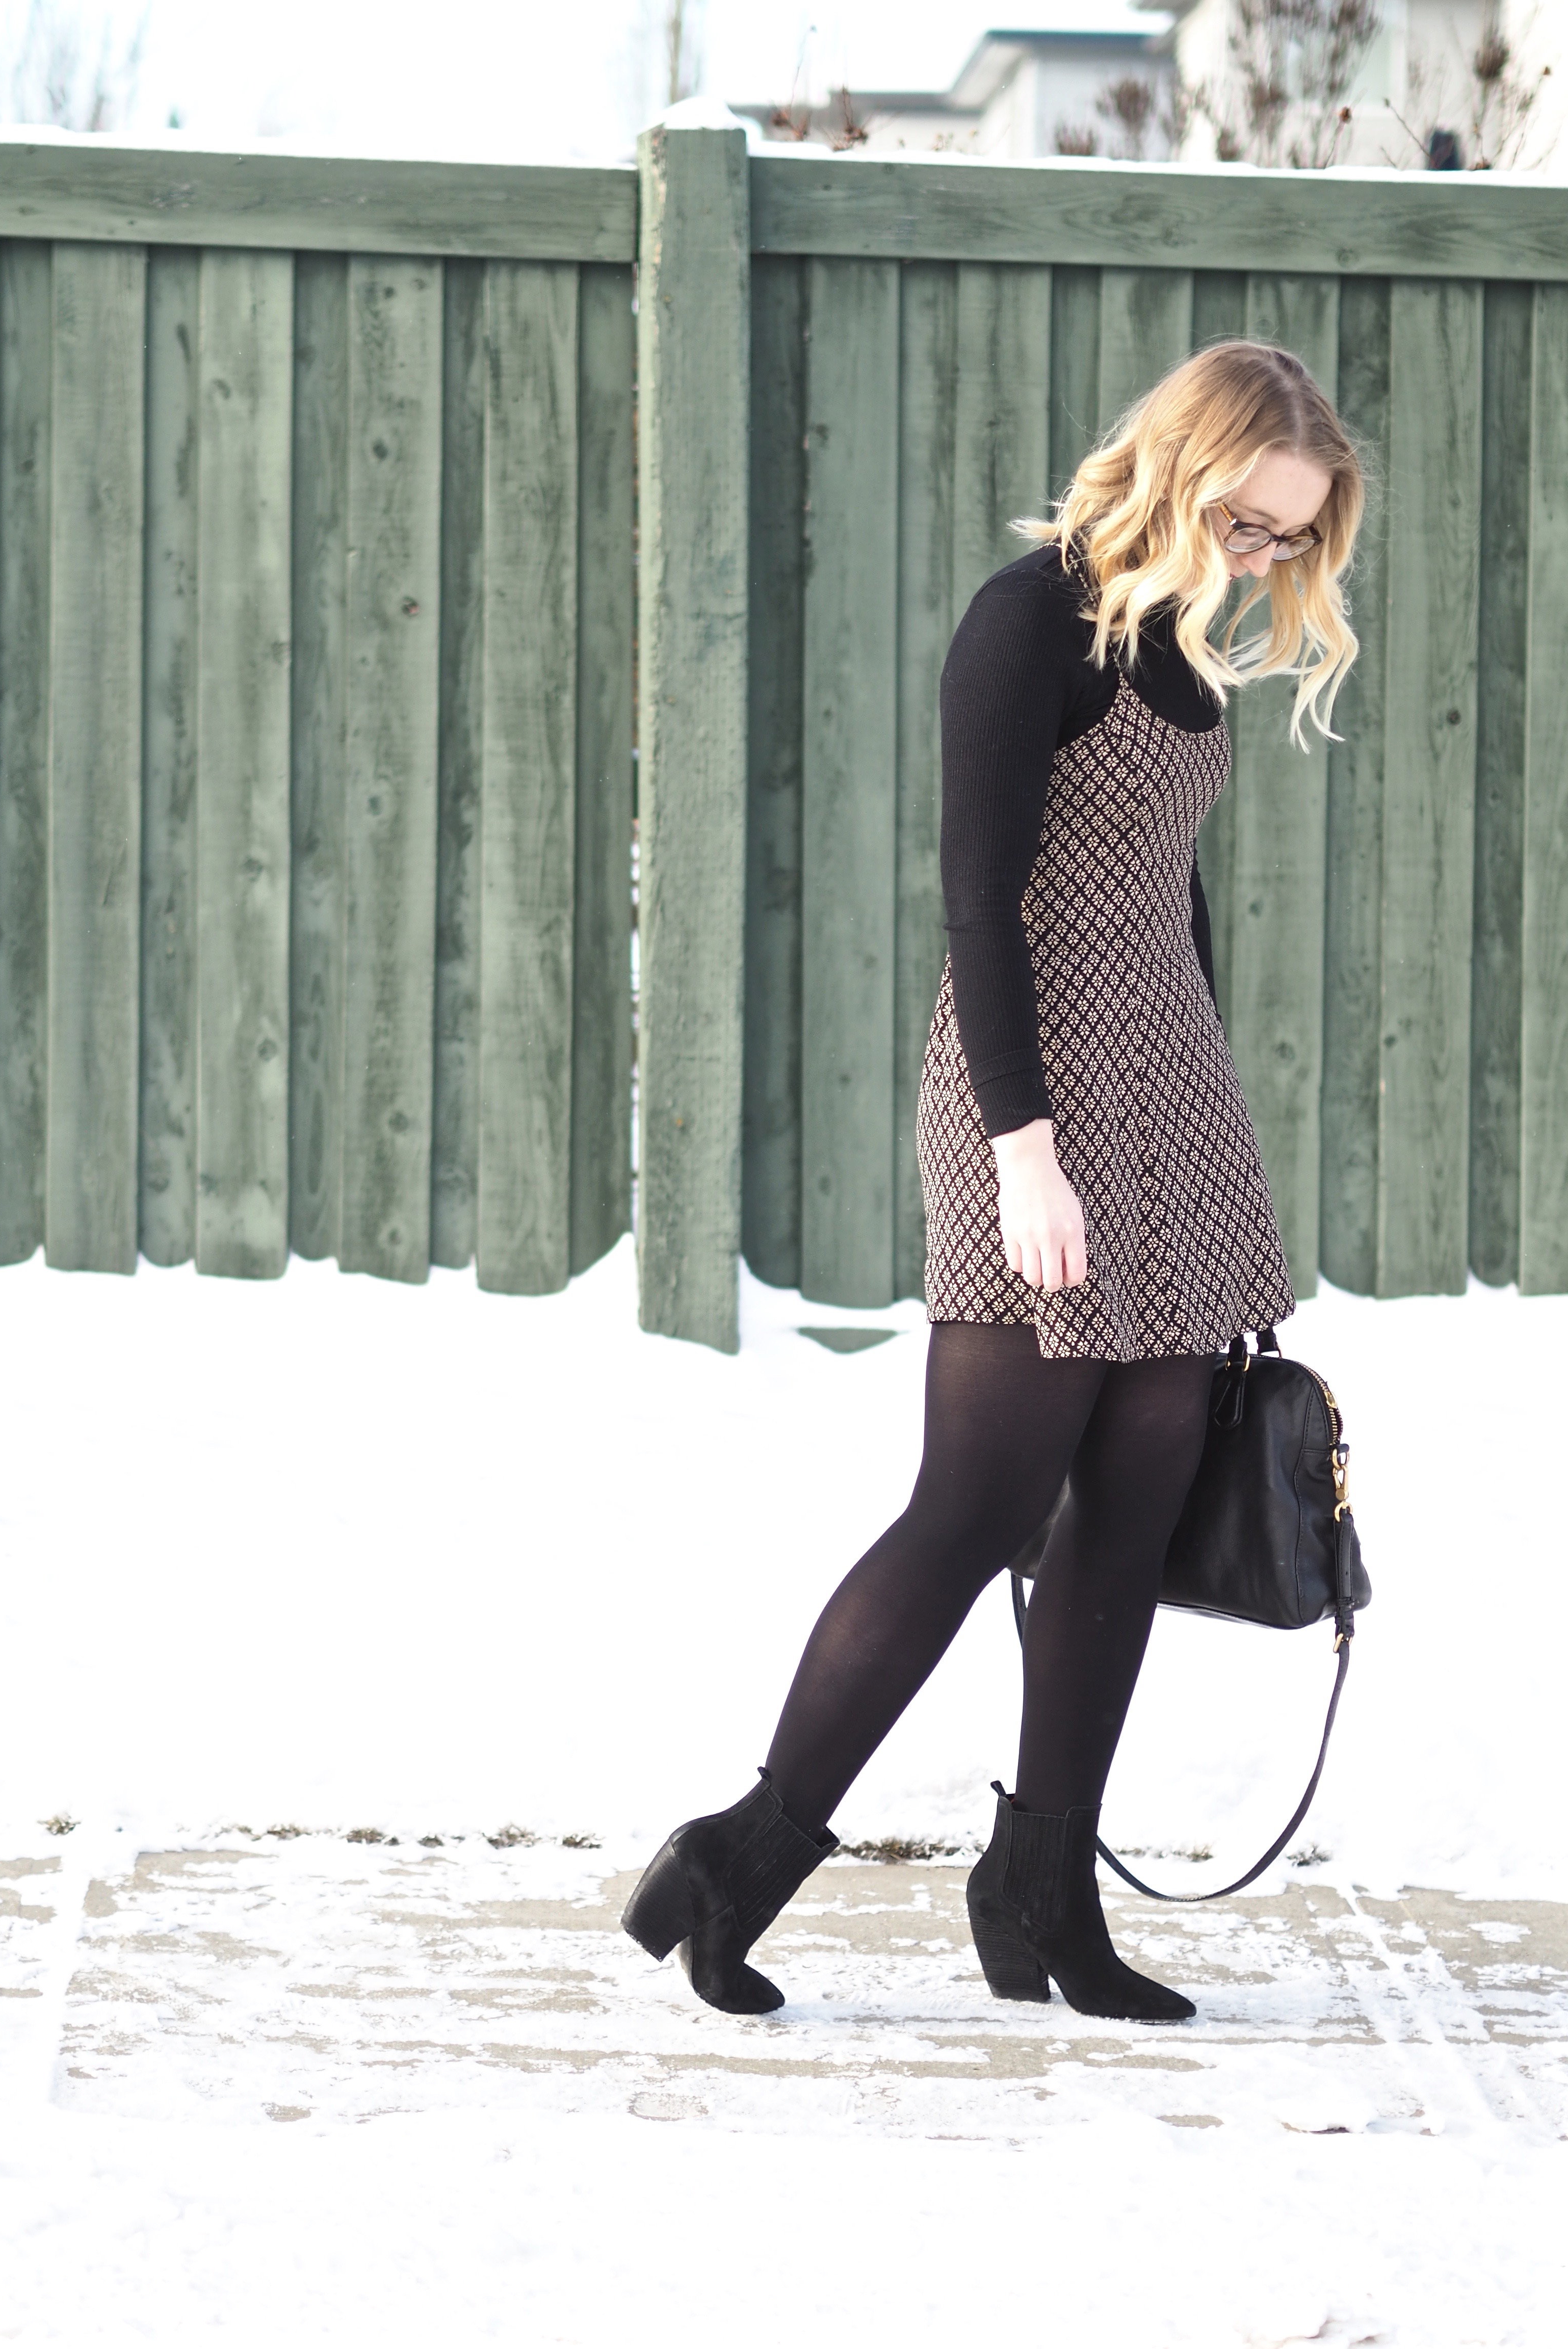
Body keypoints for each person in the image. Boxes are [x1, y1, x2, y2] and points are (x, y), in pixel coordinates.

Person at [624, 341, 1366, 2024]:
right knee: (971, 1514)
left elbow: (1164, 901)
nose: (1258, 562)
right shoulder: (1028, 619)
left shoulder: (1178, 643)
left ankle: (1045, 1899)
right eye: (1245, 523)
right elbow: (978, 902)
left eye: (1285, 541)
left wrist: (1207, 1114)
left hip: (1170, 1094)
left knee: (1134, 1518)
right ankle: (740, 1859)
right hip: (1030, 1097)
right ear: (1180, 471)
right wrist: (1024, 1149)